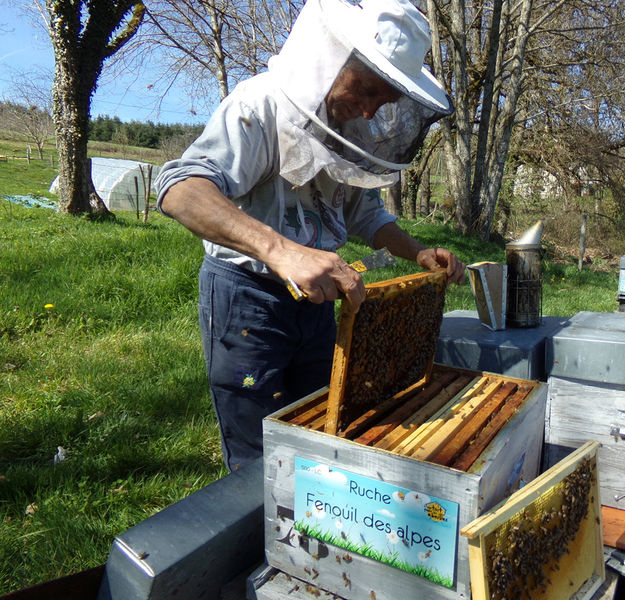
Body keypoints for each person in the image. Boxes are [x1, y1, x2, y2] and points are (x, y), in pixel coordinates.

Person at [155, 0, 465, 471]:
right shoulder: (257, 105)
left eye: (381, 101)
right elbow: (181, 190)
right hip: (249, 298)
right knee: (258, 453)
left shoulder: (350, 127)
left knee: (319, 428)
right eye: (363, 90)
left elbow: (366, 215)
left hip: (319, 299)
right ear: (332, 59)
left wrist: (417, 251)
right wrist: (283, 252)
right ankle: (260, 538)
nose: (367, 109)